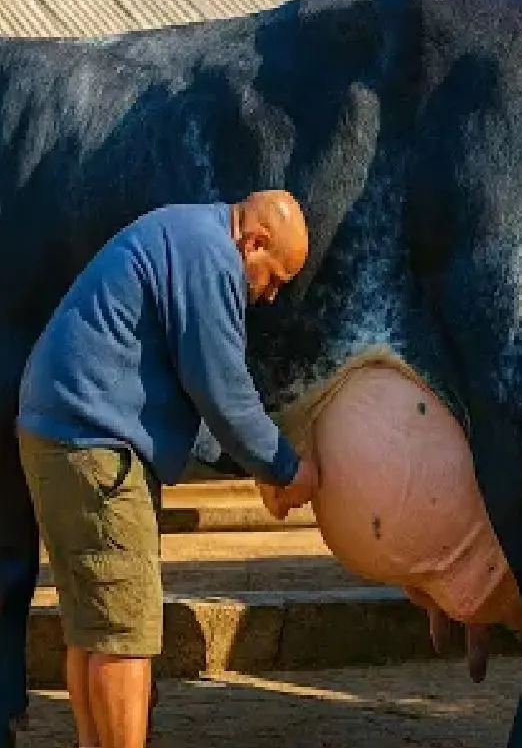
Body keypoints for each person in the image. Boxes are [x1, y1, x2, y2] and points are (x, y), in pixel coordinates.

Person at [16, 190, 319, 748]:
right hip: (96, 442)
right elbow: (223, 391)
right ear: (254, 243)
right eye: (274, 279)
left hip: (57, 431)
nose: (271, 296)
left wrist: (250, 463)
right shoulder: (212, 258)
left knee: (92, 628)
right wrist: (285, 467)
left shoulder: (186, 234)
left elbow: (191, 393)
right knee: (126, 634)